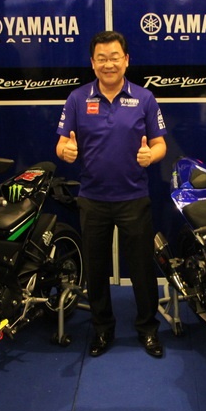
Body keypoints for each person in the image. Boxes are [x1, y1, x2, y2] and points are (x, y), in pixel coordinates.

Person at [56, 31, 167, 358]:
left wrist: (151, 156)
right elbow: (62, 143)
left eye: (114, 57)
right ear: (92, 63)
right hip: (93, 198)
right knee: (95, 269)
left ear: (126, 60)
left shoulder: (144, 98)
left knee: (142, 269)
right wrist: (66, 151)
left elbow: (160, 144)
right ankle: (102, 329)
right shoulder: (77, 99)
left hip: (134, 198)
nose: (108, 64)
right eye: (101, 58)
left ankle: (148, 329)